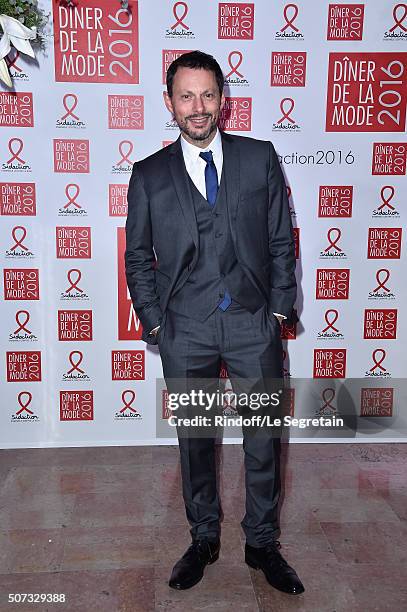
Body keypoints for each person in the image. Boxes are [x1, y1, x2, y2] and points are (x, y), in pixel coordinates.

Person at [125, 51, 304, 595]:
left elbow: (280, 241)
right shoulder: (149, 174)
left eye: (207, 95)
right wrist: (157, 325)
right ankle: (203, 538)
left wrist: (277, 311)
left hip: (254, 321)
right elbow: (137, 258)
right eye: (186, 96)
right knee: (195, 439)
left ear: (223, 99)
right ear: (169, 102)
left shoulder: (259, 159)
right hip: (187, 326)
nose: (197, 107)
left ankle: (263, 542)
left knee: (264, 438)